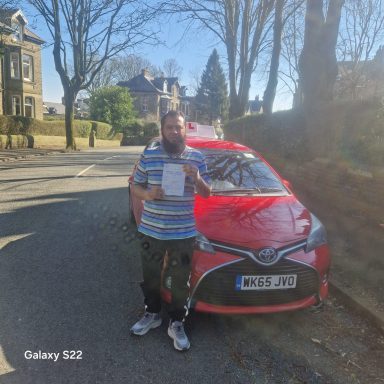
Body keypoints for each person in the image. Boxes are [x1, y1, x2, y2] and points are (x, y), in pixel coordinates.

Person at [130, 110, 211, 351]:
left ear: (185, 129)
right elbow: (136, 186)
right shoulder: (150, 155)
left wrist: (196, 177)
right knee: (152, 276)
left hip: (183, 233)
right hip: (152, 231)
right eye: (170, 128)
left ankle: (176, 322)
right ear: (162, 130)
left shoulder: (197, 158)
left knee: (180, 281)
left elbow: (207, 193)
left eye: (179, 127)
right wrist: (148, 194)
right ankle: (153, 314)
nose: (175, 132)